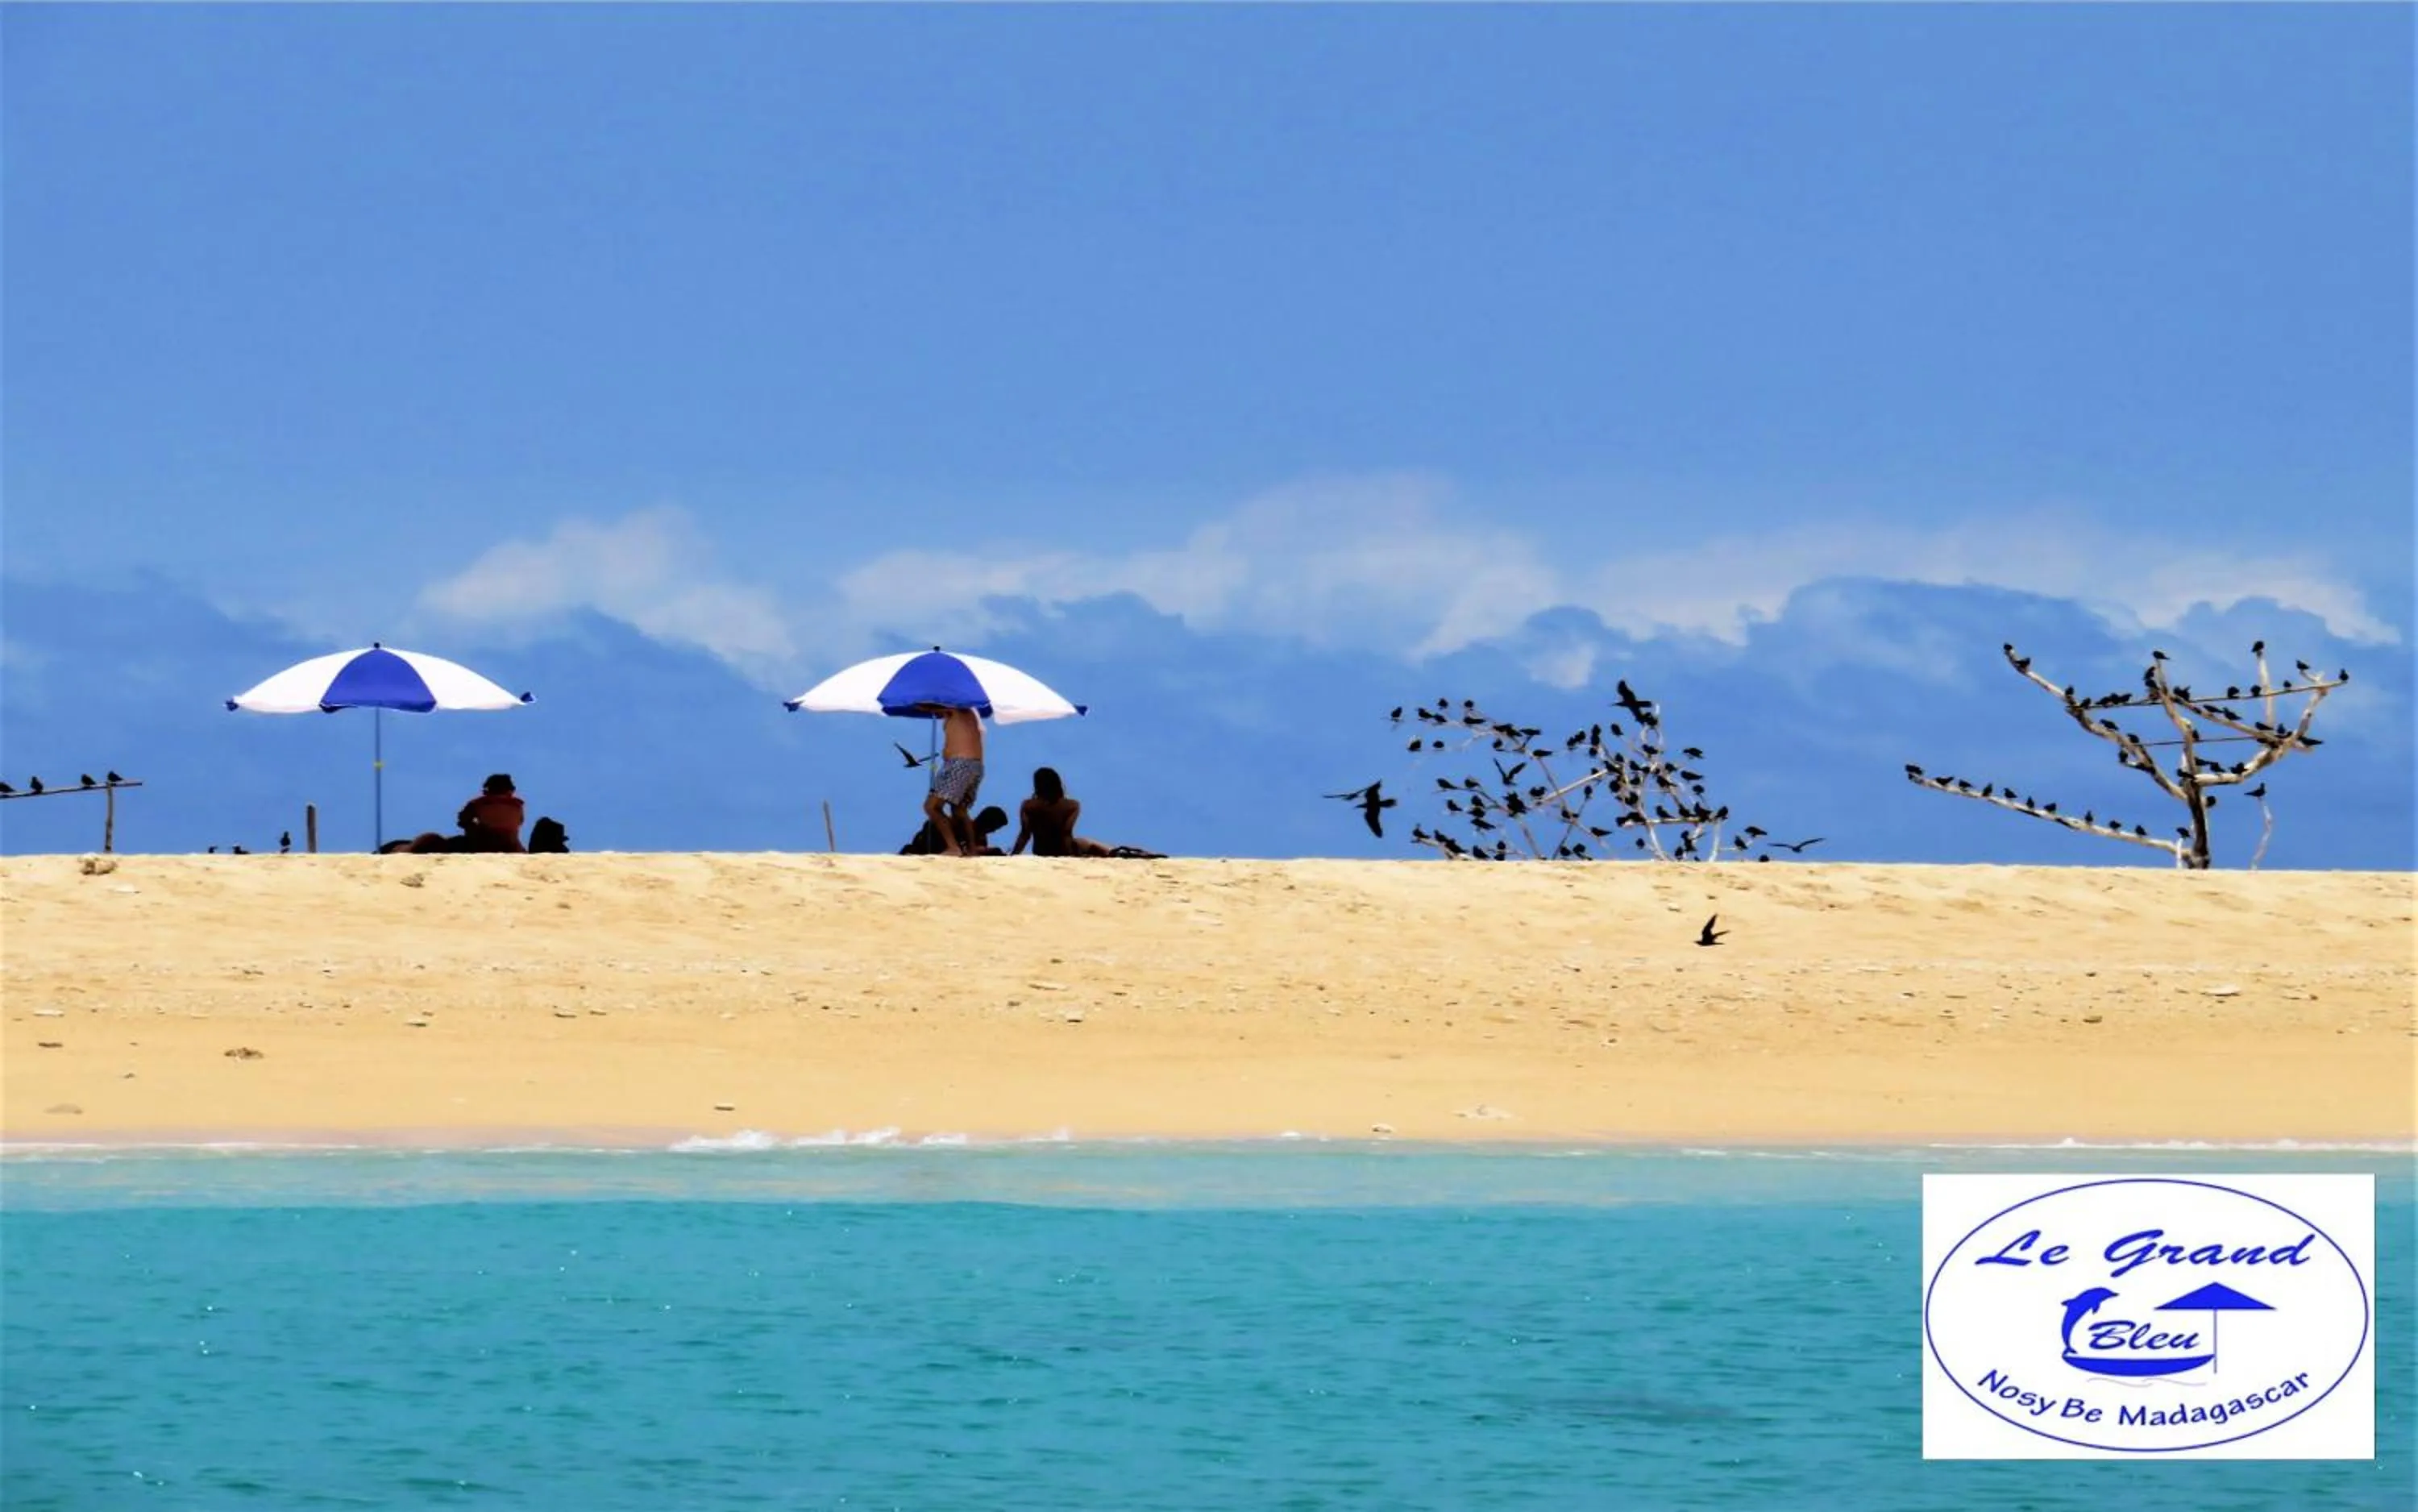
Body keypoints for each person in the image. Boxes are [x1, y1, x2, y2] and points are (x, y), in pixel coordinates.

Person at [1012, 767, 1161, 858]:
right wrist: (1071, 856)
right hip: (1063, 849)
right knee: (1089, 844)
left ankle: (1123, 853)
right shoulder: (1072, 805)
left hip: (1041, 850)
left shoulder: (1028, 805)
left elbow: (1025, 834)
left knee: (1085, 843)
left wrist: (1014, 855)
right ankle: (1129, 853)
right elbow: (1066, 833)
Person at [919, 705, 986, 856]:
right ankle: (972, 850)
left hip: (960, 764)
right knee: (959, 810)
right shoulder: (966, 713)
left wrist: (913, 701)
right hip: (974, 765)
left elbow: (932, 705)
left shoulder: (958, 708)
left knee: (932, 807)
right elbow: (934, 709)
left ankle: (953, 847)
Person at [457, 773, 526, 854]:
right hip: (513, 847)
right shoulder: (517, 805)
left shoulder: (478, 803)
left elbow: (463, 820)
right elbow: (520, 822)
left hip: (484, 846)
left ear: (488, 788)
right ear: (510, 790)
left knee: (457, 841)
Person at [901, 805, 1008, 856]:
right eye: (994, 827)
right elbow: (932, 825)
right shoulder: (961, 823)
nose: (993, 831)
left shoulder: (981, 839)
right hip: (925, 846)